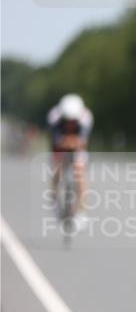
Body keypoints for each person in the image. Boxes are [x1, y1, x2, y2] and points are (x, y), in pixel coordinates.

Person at [47, 94, 93, 228]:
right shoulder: (54, 117)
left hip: (77, 147)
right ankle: (55, 202)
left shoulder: (86, 117)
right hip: (59, 147)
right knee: (57, 168)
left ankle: (82, 211)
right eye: (67, 120)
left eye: (73, 120)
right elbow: (56, 141)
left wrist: (74, 143)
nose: (70, 123)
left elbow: (83, 141)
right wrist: (65, 143)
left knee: (80, 171)